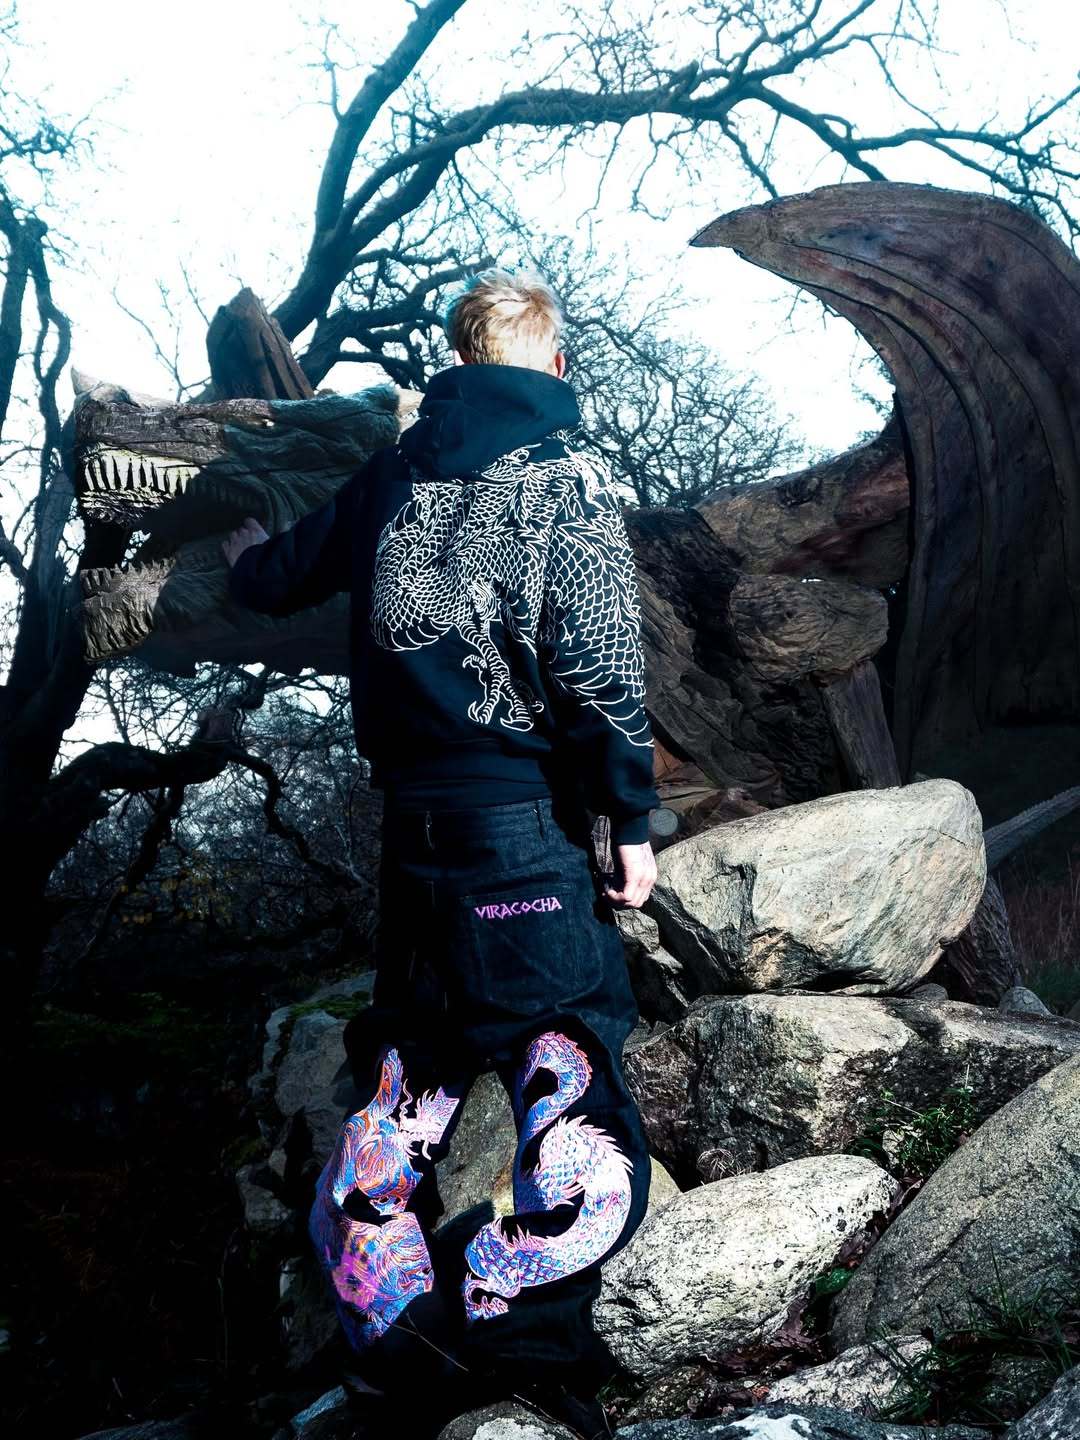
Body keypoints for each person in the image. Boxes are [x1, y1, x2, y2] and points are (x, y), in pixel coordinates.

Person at [222, 268, 660, 1438]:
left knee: (408, 1077)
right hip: (518, 832)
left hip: (410, 841)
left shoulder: (393, 471)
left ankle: (389, 1349)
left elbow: (282, 572)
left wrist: (246, 555)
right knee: (569, 1075)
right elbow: (600, 667)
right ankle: (518, 1355)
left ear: (457, 366)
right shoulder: (568, 476)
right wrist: (630, 822)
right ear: (555, 365)